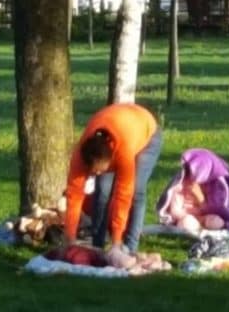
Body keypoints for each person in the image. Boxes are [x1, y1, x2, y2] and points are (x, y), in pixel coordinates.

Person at [63, 103, 163, 266]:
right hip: (120, 128)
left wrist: (116, 239)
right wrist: (70, 239)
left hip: (147, 133)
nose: (97, 174)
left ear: (111, 160)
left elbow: (124, 195)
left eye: (100, 170)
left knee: (136, 190)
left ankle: (129, 246)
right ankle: (98, 245)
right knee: (102, 190)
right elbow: (74, 197)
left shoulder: (124, 152)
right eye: (94, 171)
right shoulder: (79, 156)